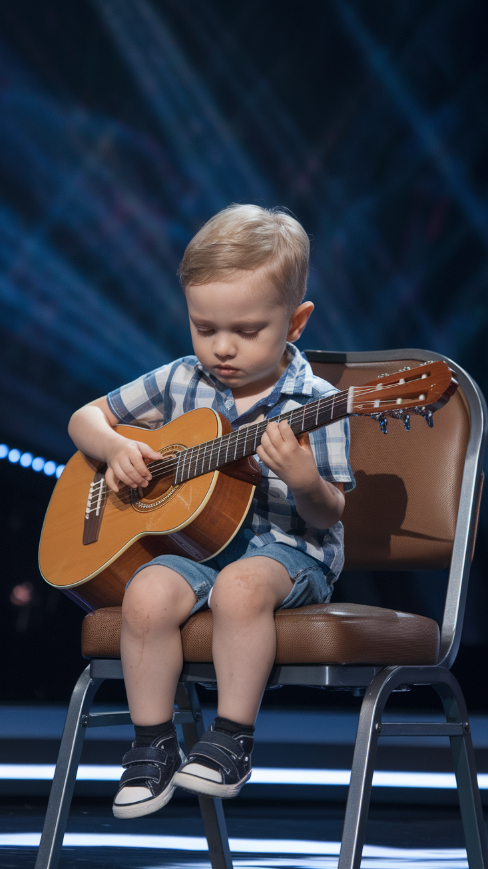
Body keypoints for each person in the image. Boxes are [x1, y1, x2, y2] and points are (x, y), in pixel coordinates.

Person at [68, 204, 354, 820]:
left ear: (295, 322)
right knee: (144, 592)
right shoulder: (179, 381)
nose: (221, 348)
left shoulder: (318, 402)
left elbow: (328, 512)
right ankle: (153, 746)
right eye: (204, 327)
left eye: (248, 331)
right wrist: (118, 448)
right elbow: (83, 418)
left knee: (240, 586)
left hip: (290, 552)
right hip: (197, 552)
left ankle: (231, 738)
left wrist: (304, 478)